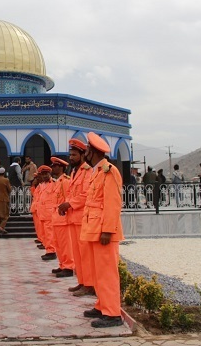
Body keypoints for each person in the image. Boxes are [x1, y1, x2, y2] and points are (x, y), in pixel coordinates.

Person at [80, 132, 124, 328]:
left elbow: (112, 203)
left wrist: (108, 230)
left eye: (87, 149)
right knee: (98, 271)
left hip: (104, 232)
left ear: (93, 151)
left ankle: (112, 313)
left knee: (107, 272)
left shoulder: (109, 171)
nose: (85, 153)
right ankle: (102, 305)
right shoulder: (96, 172)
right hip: (93, 229)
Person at [59, 138, 94, 296]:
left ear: (82, 154)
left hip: (82, 219)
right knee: (78, 254)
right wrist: (67, 205)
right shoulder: (74, 172)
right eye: (70, 154)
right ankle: (81, 281)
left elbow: (86, 194)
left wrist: (69, 204)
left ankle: (89, 284)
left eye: (74, 155)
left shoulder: (88, 171)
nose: (71, 157)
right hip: (73, 218)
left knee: (85, 254)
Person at [49, 156, 74, 277]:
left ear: (61, 167)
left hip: (63, 218)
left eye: (55, 166)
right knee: (58, 243)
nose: (53, 168)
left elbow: (68, 197)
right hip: (56, 217)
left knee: (65, 244)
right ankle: (62, 264)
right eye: (53, 166)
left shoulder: (65, 181)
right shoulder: (57, 182)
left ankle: (69, 266)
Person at [36, 165, 57, 260]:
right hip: (43, 213)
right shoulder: (42, 185)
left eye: (46, 173)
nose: (44, 176)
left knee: (49, 234)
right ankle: (48, 249)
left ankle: (51, 251)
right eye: (42, 174)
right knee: (45, 233)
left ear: (50, 173)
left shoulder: (54, 183)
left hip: (50, 213)